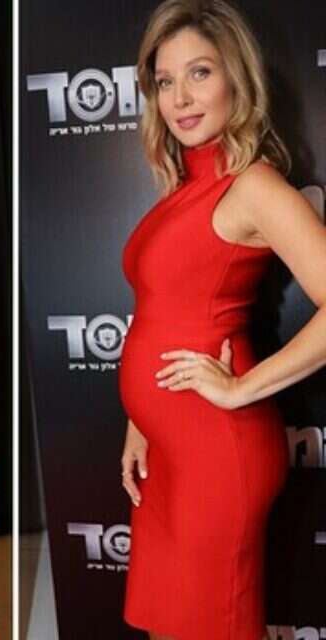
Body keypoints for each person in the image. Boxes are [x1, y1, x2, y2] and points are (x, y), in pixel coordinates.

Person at [118, 1, 326, 638]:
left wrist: (241, 387)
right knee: (167, 625)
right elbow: (162, 312)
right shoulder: (183, 189)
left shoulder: (253, 186)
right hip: (169, 453)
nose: (180, 97)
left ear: (236, 77)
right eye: (165, 80)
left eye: (200, 73)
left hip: (217, 456)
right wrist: (140, 422)